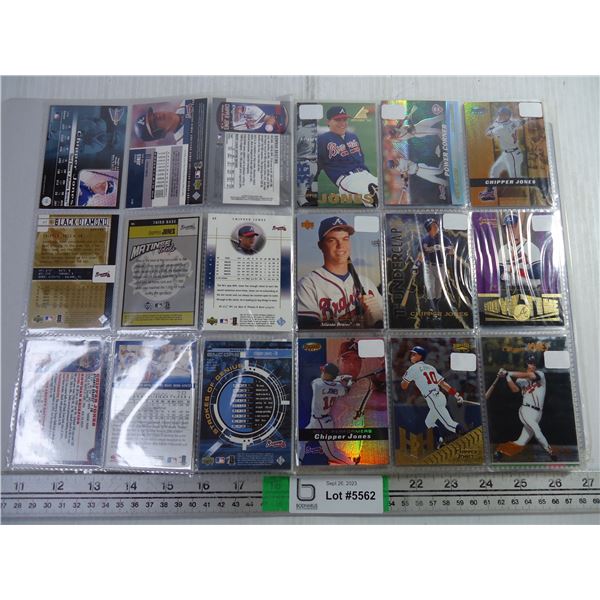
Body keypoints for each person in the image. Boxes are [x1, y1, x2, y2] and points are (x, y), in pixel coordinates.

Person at [297, 216, 383, 328]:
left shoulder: (367, 284)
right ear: (321, 246)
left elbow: (385, 324)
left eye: (345, 239)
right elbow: (308, 331)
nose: (340, 246)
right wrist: (361, 326)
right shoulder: (308, 285)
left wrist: (378, 320)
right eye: (332, 240)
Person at [494, 355, 557, 461]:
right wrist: (507, 377)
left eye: (534, 363)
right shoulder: (520, 380)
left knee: (521, 442)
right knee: (537, 431)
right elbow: (515, 390)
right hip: (526, 410)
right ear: (526, 364)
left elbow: (529, 375)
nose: (532, 365)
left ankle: (500, 451)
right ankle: (550, 452)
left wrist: (508, 372)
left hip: (538, 413)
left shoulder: (540, 374)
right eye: (530, 363)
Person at [400, 346, 464, 448]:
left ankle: (466, 436)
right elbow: (443, 384)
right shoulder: (431, 367)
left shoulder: (413, 368)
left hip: (433, 398)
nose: (411, 356)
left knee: (449, 424)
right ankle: (440, 441)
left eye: (414, 354)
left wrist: (405, 379)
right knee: (429, 422)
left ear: (420, 356)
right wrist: (456, 395)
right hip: (440, 397)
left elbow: (404, 386)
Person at [317, 105, 378, 207]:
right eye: (338, 120)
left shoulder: (352, 136)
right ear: (328, 122)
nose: (342, 123)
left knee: (387, 192)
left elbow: (361, 159)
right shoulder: (323, 140)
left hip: (366, 175)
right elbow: (315, 167)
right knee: (371, 197)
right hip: (347, 180)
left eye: (344, 119)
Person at [298, 362, 358, 465]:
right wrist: (349, 382)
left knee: (332, 454)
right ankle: (299, 462)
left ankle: (352, 465)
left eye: (324, 371)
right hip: (318, 421)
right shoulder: (338, 387)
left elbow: (323, 382)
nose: (322, 372)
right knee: (301, 439)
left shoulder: (317, 384)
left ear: (329, 374)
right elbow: (346, 390)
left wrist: (340, 378)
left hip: (321, 423)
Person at [479, 106, 527, 201]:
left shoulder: (502, 128)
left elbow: (488, 134)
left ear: (508, 116)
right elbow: (521, 122)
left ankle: (535, 186)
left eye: (503, 115)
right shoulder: (512, 122)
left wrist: (493, 126)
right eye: (500, 114)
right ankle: (490, 193)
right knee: (495, 170)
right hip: (506, 154)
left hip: (513, 155)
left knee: (516, 180)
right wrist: (526, 119)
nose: (500, 116)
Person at [412, 218, 455, 321]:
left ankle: (434, 307)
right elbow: (421, 255)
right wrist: (416, 265)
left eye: (436, 224)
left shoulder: (443, 238)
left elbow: (452, 251)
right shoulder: (425, 240)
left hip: (441, 266)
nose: (436, 226)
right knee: (430, 288)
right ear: (429, 228)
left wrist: (443, 248)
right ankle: (433, 309)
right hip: (429, 266)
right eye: (433, 225)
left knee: (438, 290)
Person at [498, 213, 541, 293]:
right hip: (509, 291)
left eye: (515, 227)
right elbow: (499, 272)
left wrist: (516, 270)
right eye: (509, 228)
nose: (512, 231)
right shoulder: (503, 249)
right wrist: (507, 273)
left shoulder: (531, 247)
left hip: (532, 291)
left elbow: (538, 273)